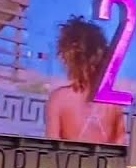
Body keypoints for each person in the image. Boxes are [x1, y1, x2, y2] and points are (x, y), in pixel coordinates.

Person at [45, 16, 126, 144]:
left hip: (70, 157)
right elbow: (120, 147)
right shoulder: (113, 103)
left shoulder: (58, 99)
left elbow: (51, 148)